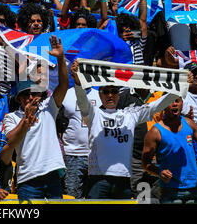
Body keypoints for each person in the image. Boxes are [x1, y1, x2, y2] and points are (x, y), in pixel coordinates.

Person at [70, 59, 181, 199]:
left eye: (114, 91)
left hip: (124, 179)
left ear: (118, 93)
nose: (110, 95)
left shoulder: (130, 114)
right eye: (106, 91)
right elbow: (81, 100)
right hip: (98, 179)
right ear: (100, 94)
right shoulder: (93, 113)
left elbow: (157, 105)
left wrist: (180, 86)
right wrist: (78, 82)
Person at [2, 35, 69, 200]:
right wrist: (25, 121)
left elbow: (64, 85)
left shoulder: (48, 108)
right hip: (28, 179)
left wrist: (60, 58)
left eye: (34, 93)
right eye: (26, 95)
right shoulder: (11, 117)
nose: (31, 98)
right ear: (19, 98)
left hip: (53, 176)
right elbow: (11, 142)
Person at [142, 97, 197, 203]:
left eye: (177, 101)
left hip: (195, 186)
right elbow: (145, 163)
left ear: (182, 104)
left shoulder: (189, 124)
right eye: (170, 101)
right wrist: (160, 172)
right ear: (163, 106)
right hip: (170, 190)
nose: (174, 104)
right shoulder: (155, 132)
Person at [60, 86, 101, 199]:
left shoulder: (100, 95)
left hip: (95, 155)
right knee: (71, 196)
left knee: (94, 197)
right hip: (72, 153)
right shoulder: (65, 94)